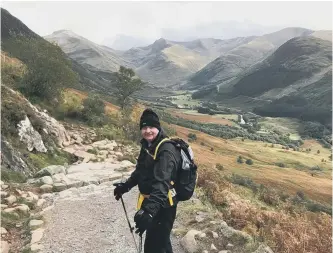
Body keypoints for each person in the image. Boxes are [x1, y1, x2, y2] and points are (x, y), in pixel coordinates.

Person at [113, 108, 181, 253]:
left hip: (164, 206)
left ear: (158, 128)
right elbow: (140, 172)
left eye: (151, 127)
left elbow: (162, 183)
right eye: (144, 127)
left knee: (154, 246)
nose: (147, 130)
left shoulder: (166, 150)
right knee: (161, 243)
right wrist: (125, 186)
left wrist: (149, 211)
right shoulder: (147, 146)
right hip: (154, 203)